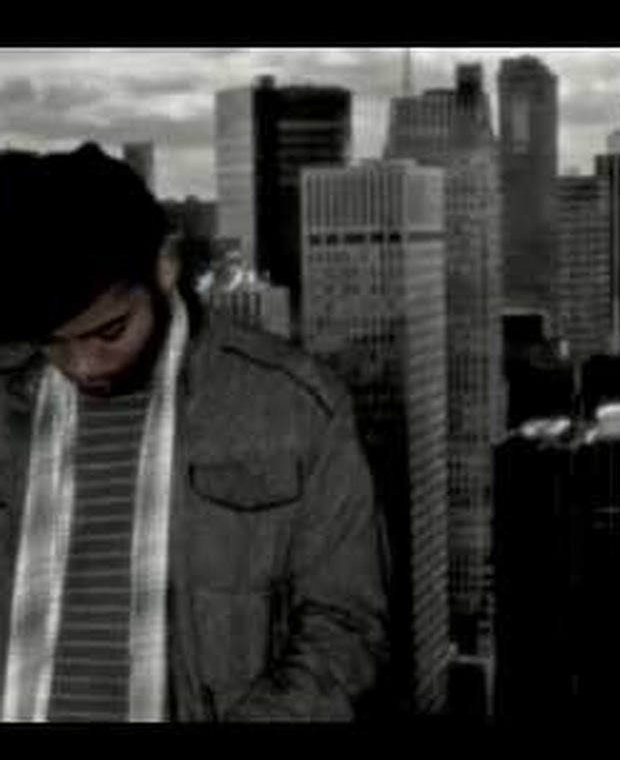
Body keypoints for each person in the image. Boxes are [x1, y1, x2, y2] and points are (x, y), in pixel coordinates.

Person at [0, 142, 390, 722]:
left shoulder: (295, 406)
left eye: (110, 332)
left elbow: (345, 631)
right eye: (53, 342)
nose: (82, 365)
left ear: (165, 266)